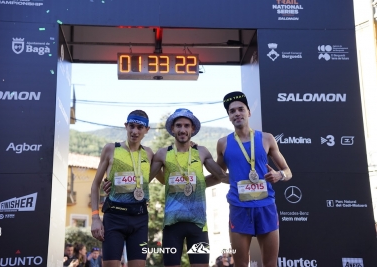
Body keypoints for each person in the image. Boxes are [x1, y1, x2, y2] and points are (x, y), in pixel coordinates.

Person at [215, 91, 292, 267]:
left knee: (270, 264)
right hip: (239, 209)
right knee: (241, 264)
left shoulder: (266, 138)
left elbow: (288, 172)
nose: (237, 113)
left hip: (265, 207)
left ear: (249, 112)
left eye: (240, 109)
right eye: (232, 111)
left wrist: (279, 175)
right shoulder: (223, 143)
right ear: (229, 117)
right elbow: (219, 174)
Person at [149, 108, 228, 267]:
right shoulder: (163, 154)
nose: (182, 129)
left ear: (192, 129)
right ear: (172, 129)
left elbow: (221, 176)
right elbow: (145, 179)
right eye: (178, 125)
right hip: (172, 225)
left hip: (198, 225)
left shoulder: (202, 152)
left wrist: (249, 180)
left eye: (186, 125)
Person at [90, 110, 163, 267]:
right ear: (126, 126)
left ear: (147, 130)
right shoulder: (111, 149)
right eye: (132, 126)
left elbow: (161, 177)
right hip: (114, 217)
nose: (135, 131)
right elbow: (95, 184)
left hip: (140, 218)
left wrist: (191, 146)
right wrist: (95, 218)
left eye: (139, 127)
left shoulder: (149, 153)